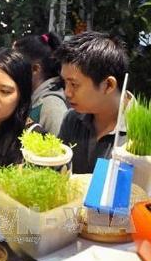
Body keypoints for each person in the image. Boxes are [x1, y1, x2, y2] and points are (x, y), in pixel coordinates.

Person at [55, 31, 131, 174]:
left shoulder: (142, 131)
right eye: (65, 82)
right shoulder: (72, 120)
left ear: (108, 85)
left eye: (74, 84)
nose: (67, 92)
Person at [13, 32, 68, 135]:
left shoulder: (52, 107)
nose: (11, 71)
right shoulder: (32, 99)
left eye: (16, 65)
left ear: (35, 69)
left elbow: (61, 149)